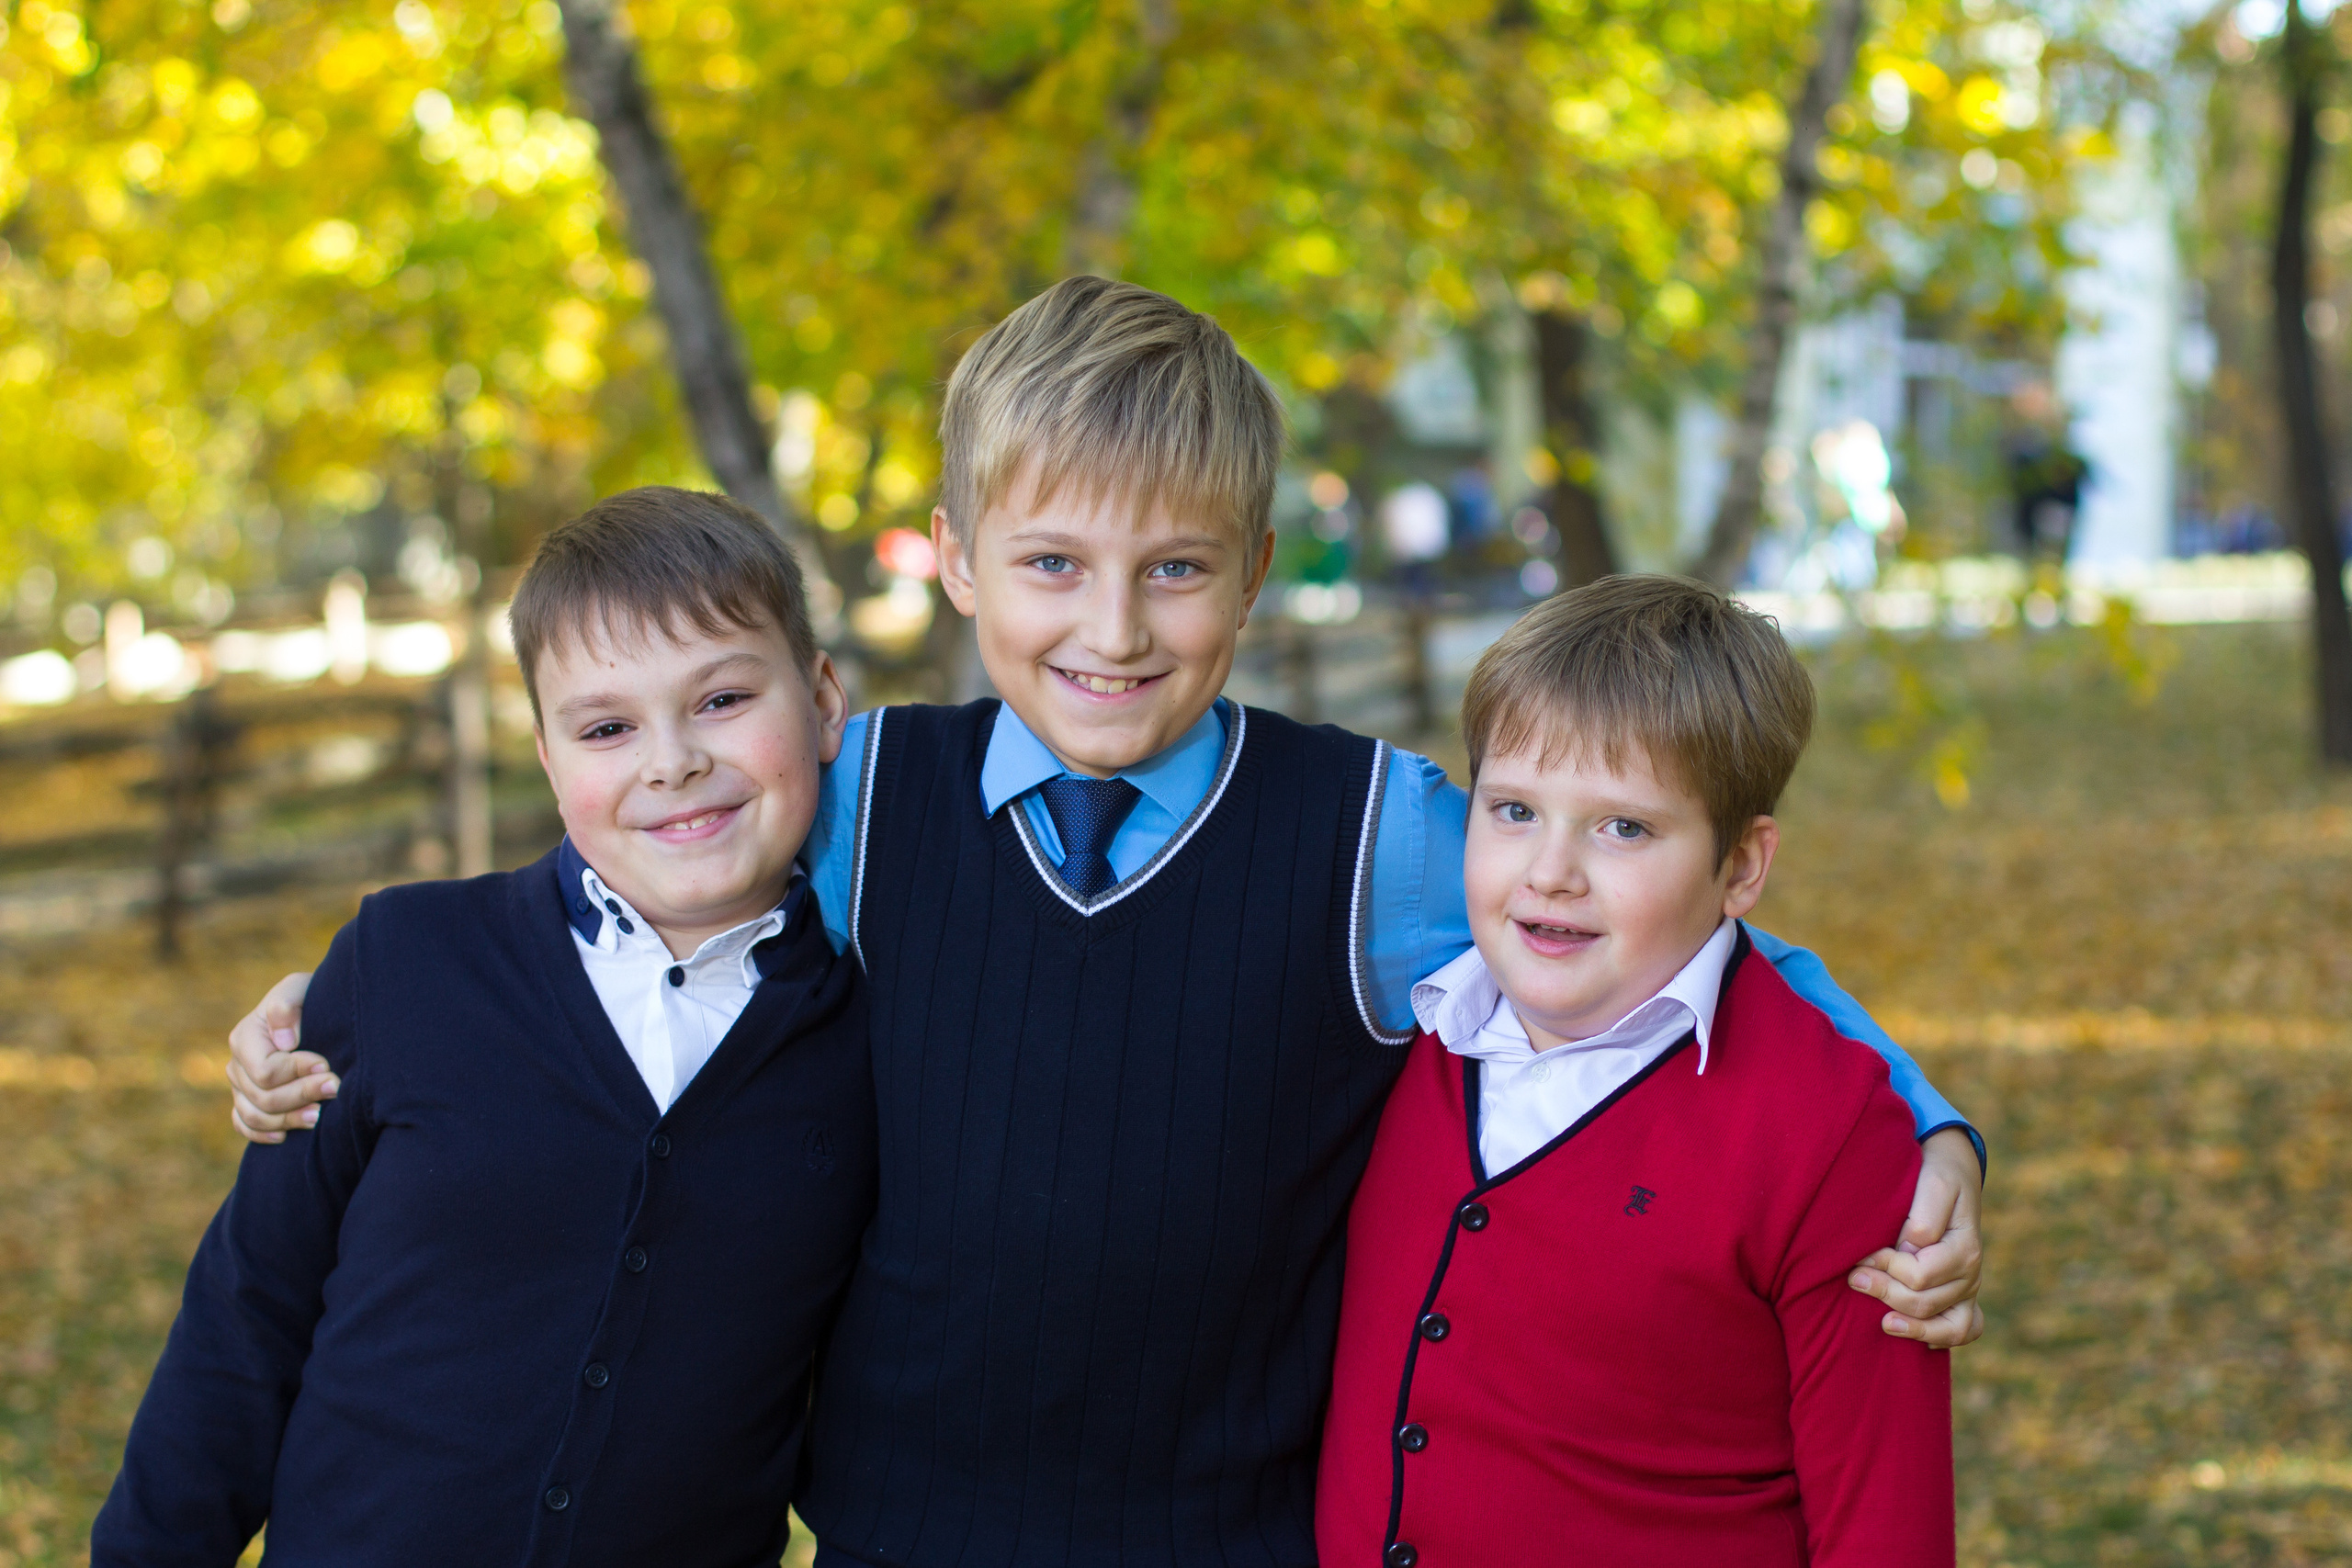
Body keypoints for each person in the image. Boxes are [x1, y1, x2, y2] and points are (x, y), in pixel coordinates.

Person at [216, 278, 1984, 1568]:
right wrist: (347, 998)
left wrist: (1921, 1115)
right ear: (961, 561)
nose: (1114, 630)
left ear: (1258, 566)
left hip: (1228, 1533)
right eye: (1054, 564)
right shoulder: (859, 803)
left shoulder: (1369, 840)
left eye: (1177, 569)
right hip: (898, 1530)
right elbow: (633, 888)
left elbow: (1662, 925)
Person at [92, 490, 876, 1567]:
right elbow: (244, 1323)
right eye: (606, 727)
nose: (672, 761)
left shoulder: (875, 1031)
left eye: (724, 699)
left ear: (826, 702)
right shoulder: (404, 965)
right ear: (549, 760)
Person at [1318, 577, 1952, 1568]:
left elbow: (1885, 1523)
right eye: (1515, 810)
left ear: (1741, 868)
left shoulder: (1827, 1130)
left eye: (1624, 828)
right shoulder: (1393, 1022)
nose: (1551, 872)